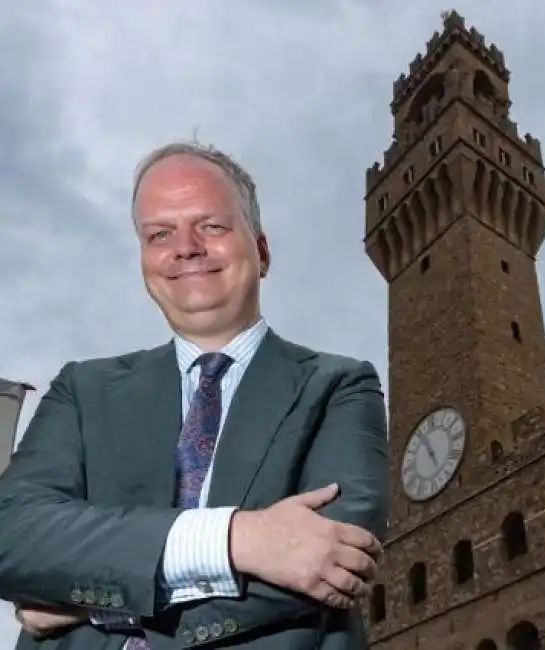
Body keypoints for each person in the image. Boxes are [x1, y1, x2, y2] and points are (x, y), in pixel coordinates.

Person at [0, 141, 389, 649]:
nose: (185, 247)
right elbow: (12, 536)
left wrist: (83, 592)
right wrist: (236, 540)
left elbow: (335, 559)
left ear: (262, 250)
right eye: (160, 233)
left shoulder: (339, 385)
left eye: (212, 226)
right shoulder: (81, 390)